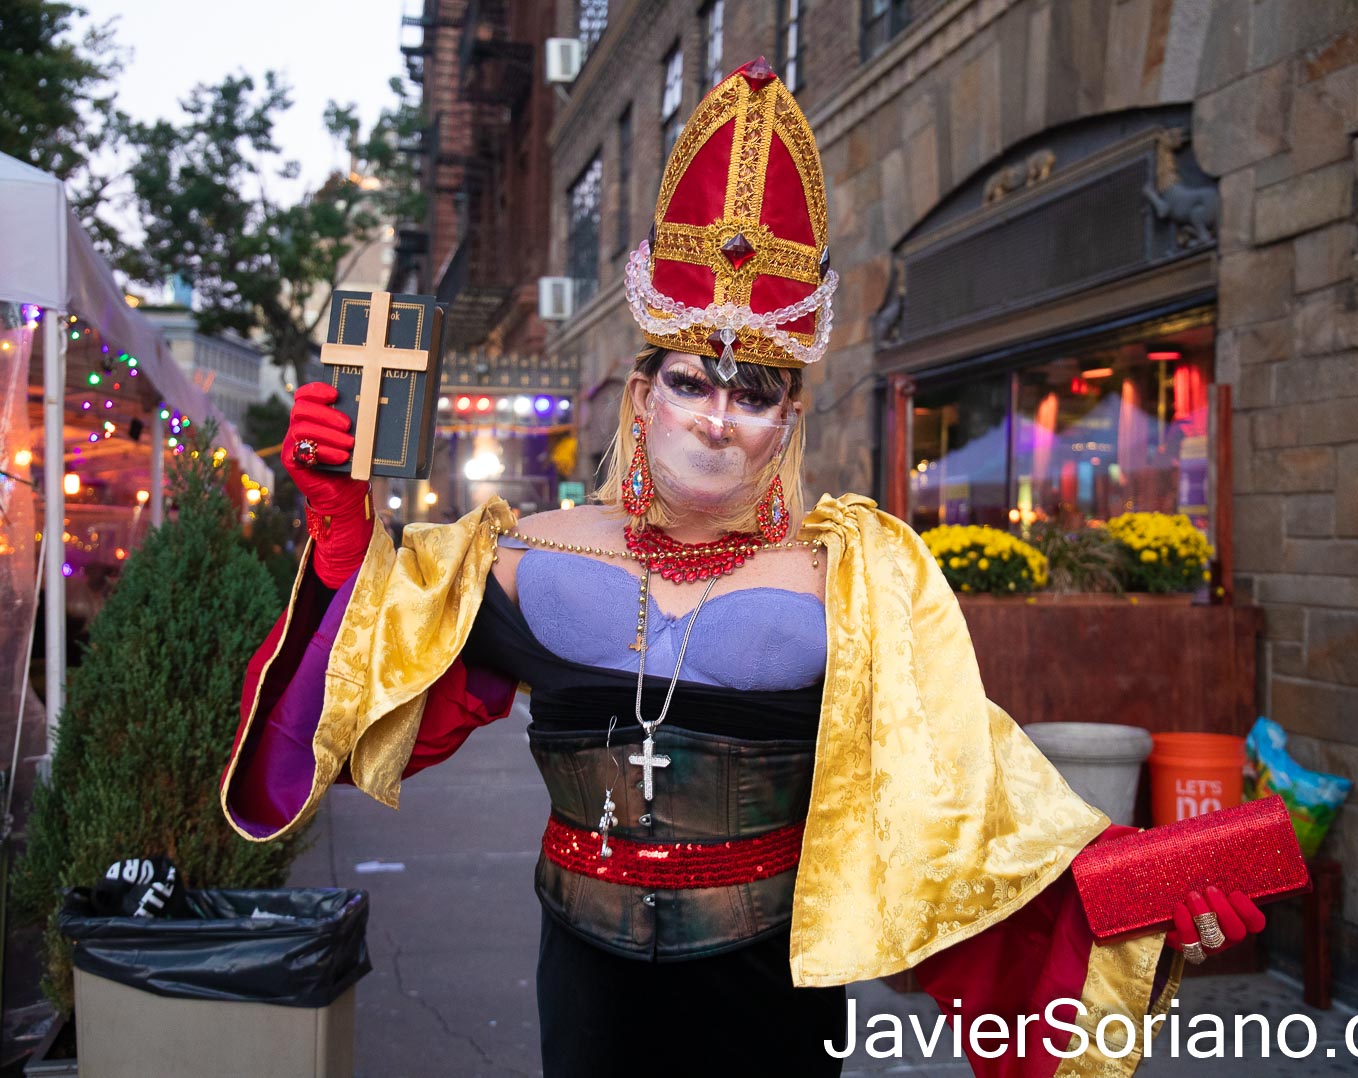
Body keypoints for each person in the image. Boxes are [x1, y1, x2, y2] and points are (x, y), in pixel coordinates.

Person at [221, 58, 1262, 1077]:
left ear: (786, 421)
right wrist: (348, 536)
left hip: (770, 989)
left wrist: (1140, 900)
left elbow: (971, 792)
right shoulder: (517, 555)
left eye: (754, 393)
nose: (718, 418)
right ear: (643, 397)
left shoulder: (856, 573)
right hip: (587, 981)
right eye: (692, 382)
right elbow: (361, 695)